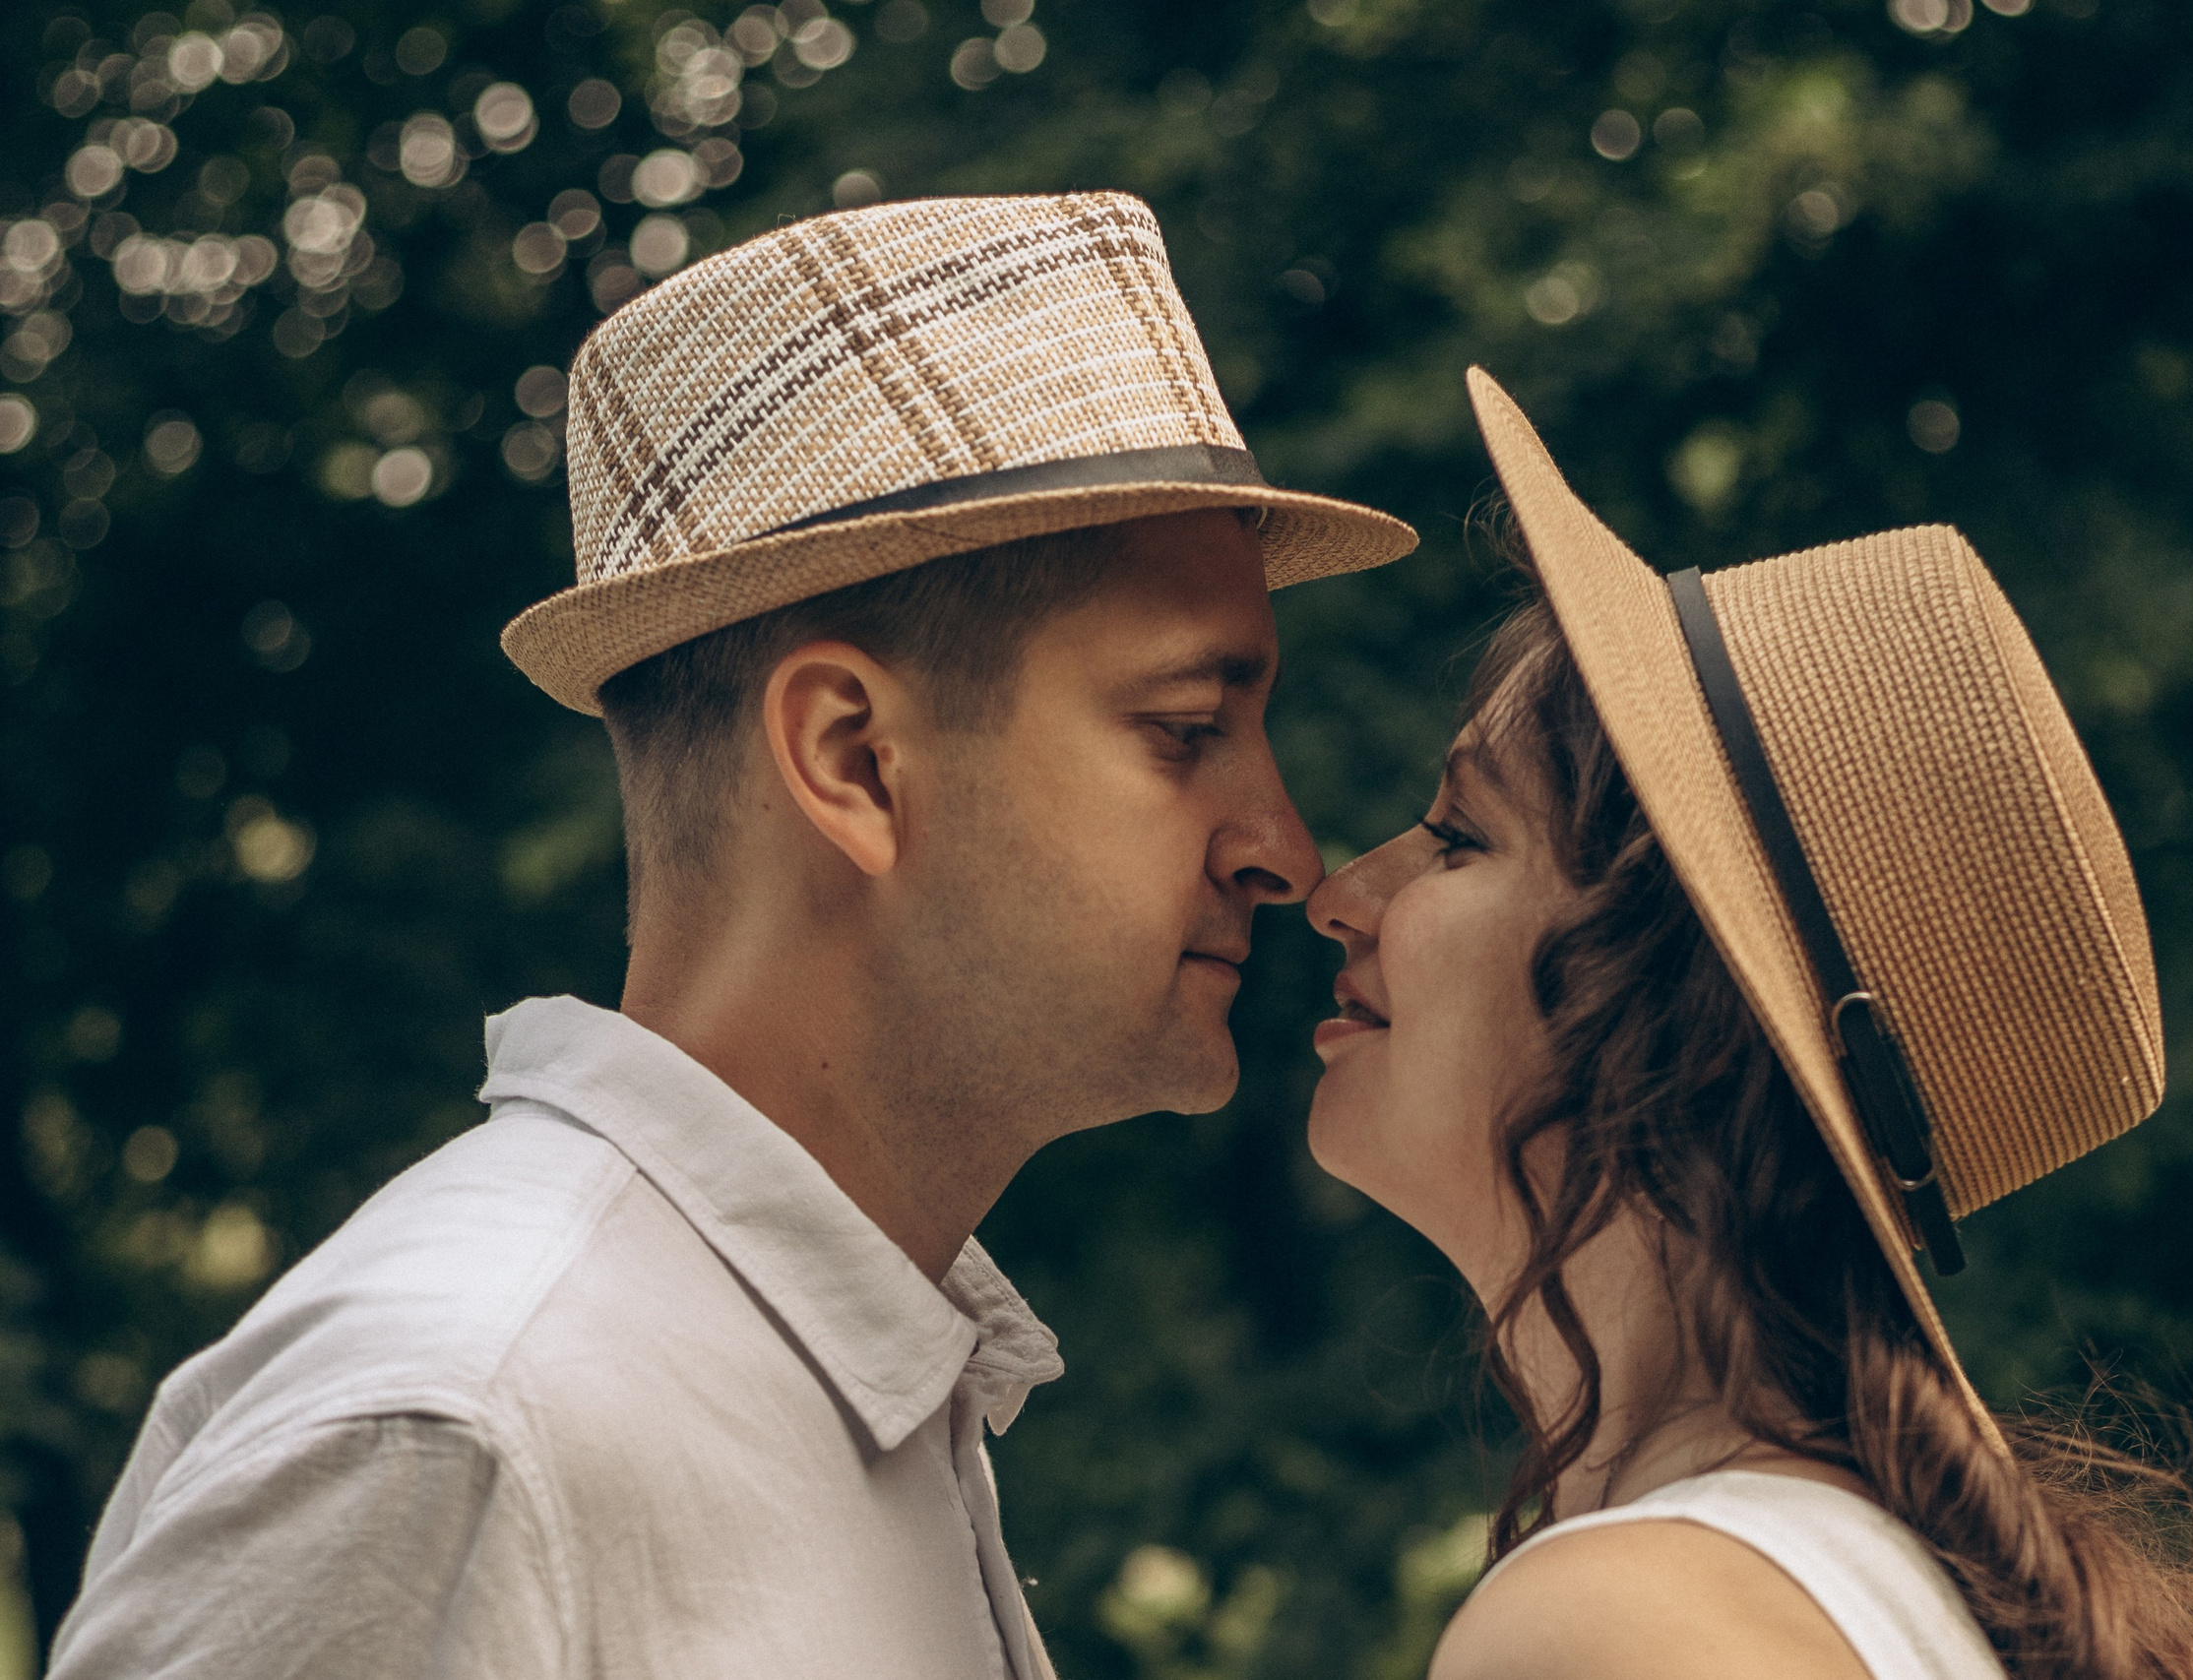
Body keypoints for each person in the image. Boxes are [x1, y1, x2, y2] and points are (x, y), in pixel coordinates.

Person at [45, 192, 1414, 1678]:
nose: (1286, 849)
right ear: (852, 761)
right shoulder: (470, 1420)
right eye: (1187, 730)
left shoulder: (805, 1377)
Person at [1304, 369, 2193, 1680]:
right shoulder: (1862, 1591)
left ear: (1672, 1005)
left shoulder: (1618, 1626)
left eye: (1462, 837)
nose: (1338, 893)